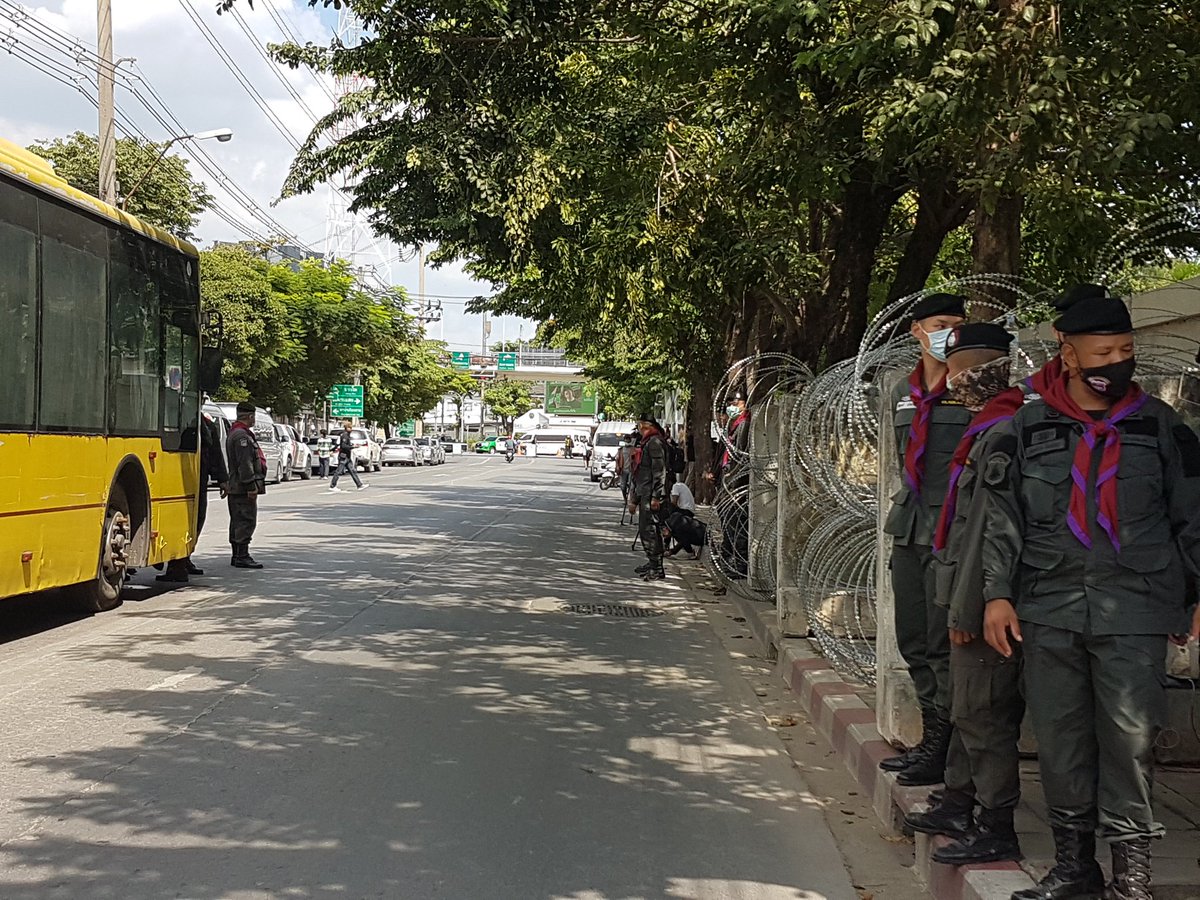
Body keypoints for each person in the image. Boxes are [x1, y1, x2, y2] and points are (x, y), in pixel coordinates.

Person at [981, 295, 1200, 900]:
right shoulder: (1026, 429)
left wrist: (1195, 594)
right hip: (1047, 607)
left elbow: (1192, 517)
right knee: (1060, 739)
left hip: (1135, 606)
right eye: (1104, 352)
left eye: (1126, 351)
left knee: (1130, 739)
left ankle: (1132, 876)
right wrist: (996, 595)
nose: (1117, 363)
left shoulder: (1160, 426)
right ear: (1067, 352)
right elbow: (1002, 522)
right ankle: (1075, 865)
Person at [903, 323, 1028, 865]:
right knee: (964, 704)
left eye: (956, 369)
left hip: (981, 601)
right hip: (965, 587)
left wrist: (967, 605)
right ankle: (958, 800)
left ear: (978, 368)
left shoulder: (1004, 429)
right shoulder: (985, 424)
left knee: (982, 712)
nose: (950, 379)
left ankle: (995, 822)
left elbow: (985, 530)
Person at [879, 292, 971, 785]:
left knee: (943, 645)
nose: (950, 332)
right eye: (941, 323)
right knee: (914, 638)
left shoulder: (974, 386)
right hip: (910, 525)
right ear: (917, 329)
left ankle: (947, 750)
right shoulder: (899, 388)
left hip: (951, 530)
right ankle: (930, 738)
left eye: (959, 324)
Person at [158, 410, 230, 583]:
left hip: (198, 478)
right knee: (182, 519)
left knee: (196, 519)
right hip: (177, 476)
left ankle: (184, 559)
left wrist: (222, 479)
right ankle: (178, 563)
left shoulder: (206, 424)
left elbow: (215, 453)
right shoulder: (181, 421)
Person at [225, 401, 267, 569]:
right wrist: (251, 486)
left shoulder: (236, 433)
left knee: (238, 520)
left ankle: (237, 554)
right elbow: (245, 463)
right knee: (245, 520)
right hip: (242, 487)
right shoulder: (242, 436)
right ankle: (242, 555)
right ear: (250, 416)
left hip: (237, 486)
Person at [629, 414, 669, 581]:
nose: (639, 428)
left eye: (640, 425)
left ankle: (656, 567)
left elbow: (659, 471)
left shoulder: (654, 443)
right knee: (647, 530)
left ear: (647, 426)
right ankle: (652, 563)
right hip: (645, 492)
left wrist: (656, 496)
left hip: (651, 495)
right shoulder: (647, 442)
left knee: (650, 531)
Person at [664, 479, 705, 560]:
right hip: (688, 510)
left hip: (685, 510)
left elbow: (674, 503)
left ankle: (685, 550)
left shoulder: (676, 486)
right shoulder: (680, 485)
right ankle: (669, 545)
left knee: (676, 528)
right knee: (673, 526)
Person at [328, 421, 368, 493]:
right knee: (338, 471)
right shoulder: (344, 435)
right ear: (347, 428)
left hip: (347, 457)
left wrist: (353, 445)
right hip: (343, 456)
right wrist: (352, 446)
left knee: (352, 471)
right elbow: (343, 446)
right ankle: (333, 485)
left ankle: (359, 485)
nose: (351, 429)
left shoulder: (347, 435)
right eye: (350, 428)